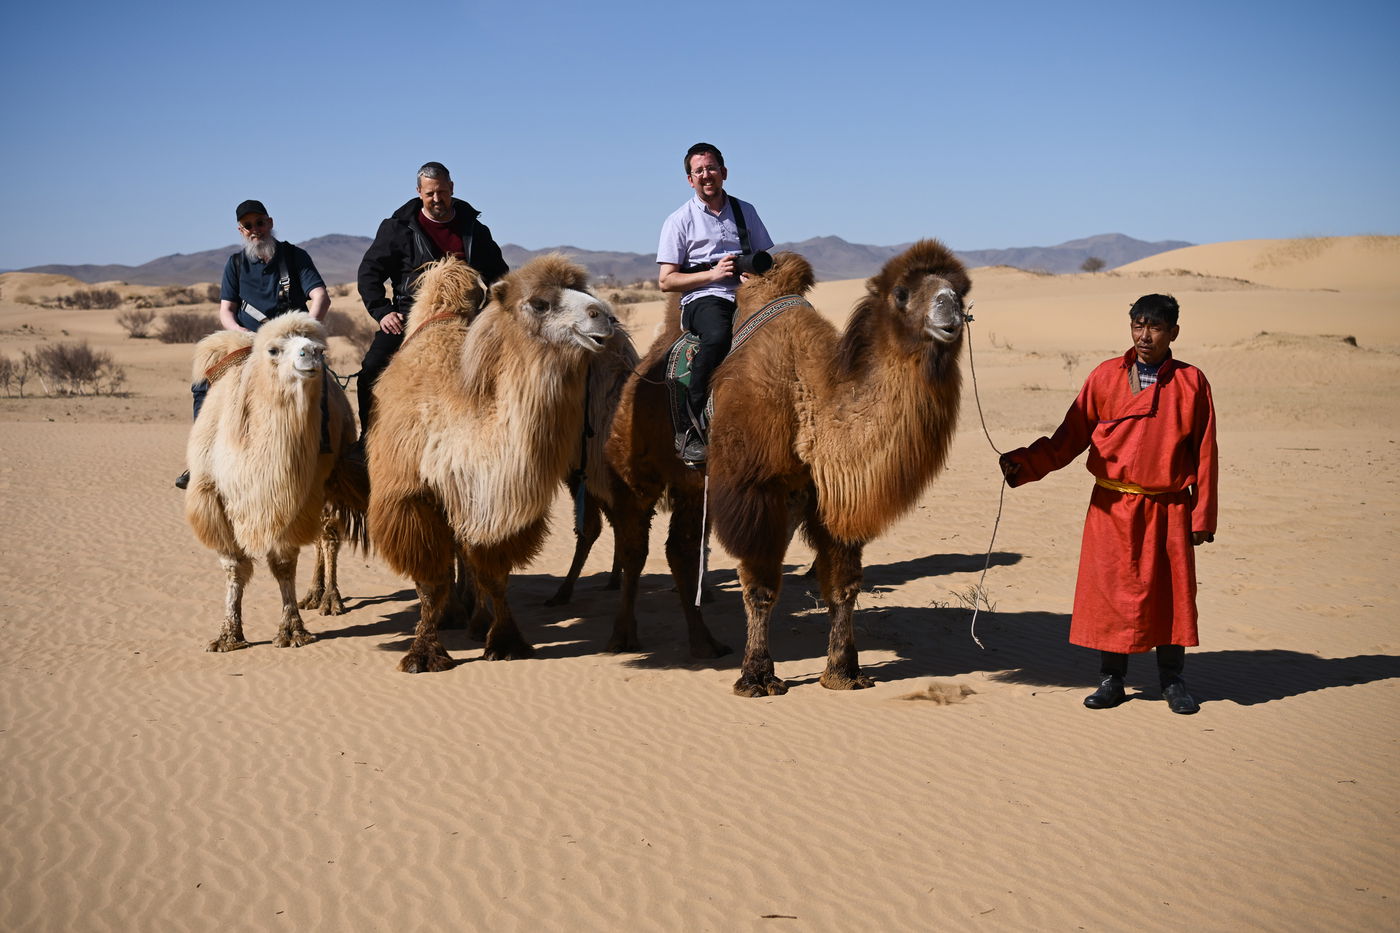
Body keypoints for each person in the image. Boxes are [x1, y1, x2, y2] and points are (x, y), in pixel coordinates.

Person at [998, 294, 1218, 714]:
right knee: (1110, 595)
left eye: (1154, 327)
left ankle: (1172, 682)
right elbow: (1069, 438)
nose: (1144, 336)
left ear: (1173, 332)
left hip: (1167, 507)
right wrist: (1023, 464)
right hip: (1111, 507)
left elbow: (1206, 453)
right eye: (1138, 325)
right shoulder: (1105, 377)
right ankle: (1111, 680)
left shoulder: (1192, 383)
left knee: (1169, 596)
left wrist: (1201, 514)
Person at [175, 199, 330, 488]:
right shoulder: (235, 264)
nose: (255, 229)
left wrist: (305, 330)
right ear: (241, 230)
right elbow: (226, 311)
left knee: (316, 378)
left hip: (290, 342)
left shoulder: (295, 257)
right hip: (248, 342)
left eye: (259, 223)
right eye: (248, 226)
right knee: (202, 385)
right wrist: (242, 335)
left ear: (269, 223)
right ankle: (200, 460)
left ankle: (324, 444)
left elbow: (320, 297)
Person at [355, 161, 509, 437]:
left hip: (466, 317)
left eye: (441, 192)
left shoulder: (474, 230)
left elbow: (499, 275)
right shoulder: (398, 228)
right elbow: (369, 273)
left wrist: (490, 312)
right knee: (371, 369)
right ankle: (368, 442)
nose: (436, 199)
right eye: (429, 194)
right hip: (410, 316)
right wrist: (383, 312)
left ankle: (494, 438)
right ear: (419, 192)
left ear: (451, 188)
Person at [656, 142, 773, 465]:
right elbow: (666, 281)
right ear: (690, 180)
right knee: (719, 336)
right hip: (704, 298)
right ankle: (690, 428)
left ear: (724, 172)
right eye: (699, 171)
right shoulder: (679, 221)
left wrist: (757, 276)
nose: (706, 175)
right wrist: (712, 274)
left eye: (711, 168)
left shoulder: (745, 211)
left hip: (749, 294)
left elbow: (766, 258)